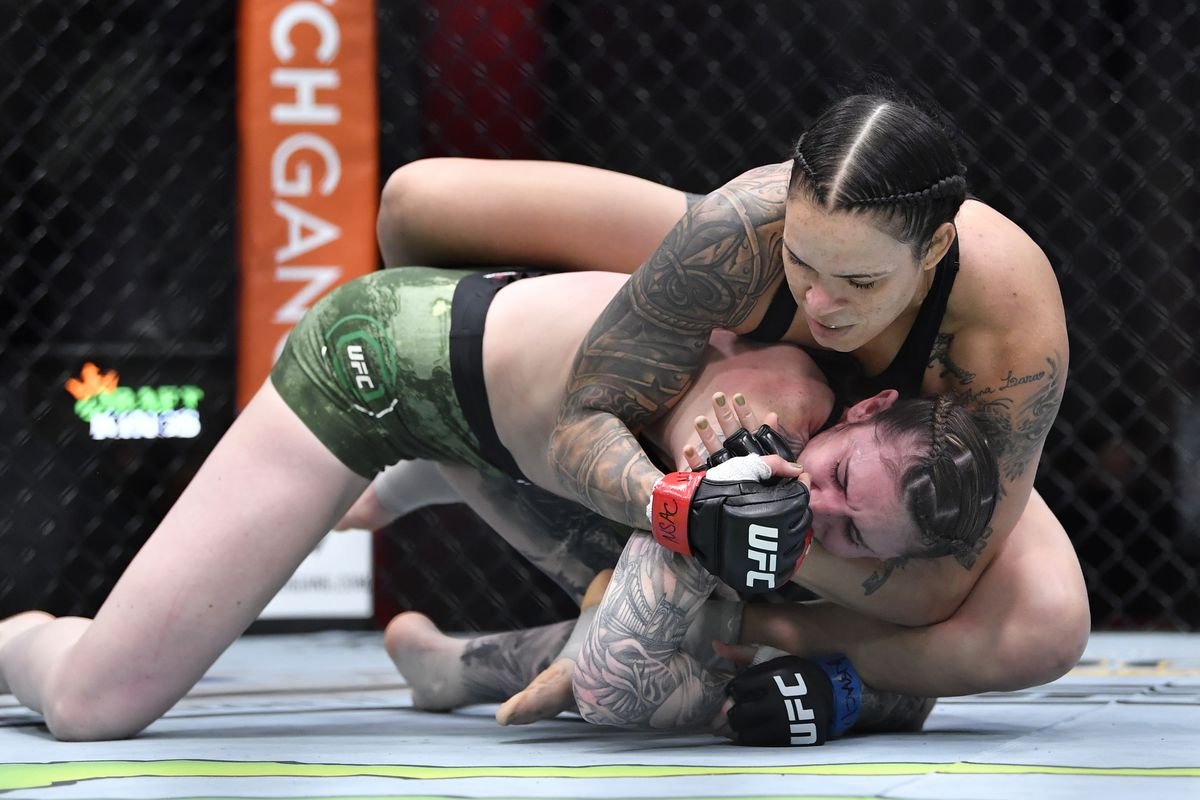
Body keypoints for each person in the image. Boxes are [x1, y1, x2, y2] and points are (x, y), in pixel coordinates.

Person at [0, 265, 991, 742]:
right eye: (840, 479)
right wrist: (700, 504)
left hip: (515, 434)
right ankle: (15, 639)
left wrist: (840, 694)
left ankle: (455, 633)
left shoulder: (852, 529)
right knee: (93, 703)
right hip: (381, 370)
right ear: (862, 409)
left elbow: (917, 670)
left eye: (854, 532)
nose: (820, 509)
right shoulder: (773, 413)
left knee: (729, 636)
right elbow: (613, 673)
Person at [374, 89, 1090, 695]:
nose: (823, 305)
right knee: (417, 204)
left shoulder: (1004, 328)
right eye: (803, 265)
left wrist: (748, 552)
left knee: (1045, 625)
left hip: (882, 461)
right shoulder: (740, 236)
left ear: (932, 252)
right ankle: (467, 469)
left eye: (861, 282)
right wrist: (692, 497)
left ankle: (545, 655)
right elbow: (585, 414)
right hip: (728, 382)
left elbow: (935, 589)